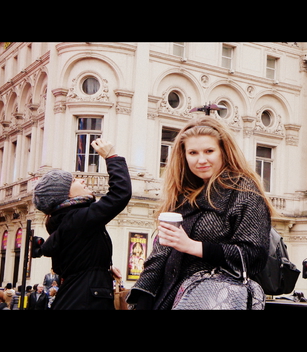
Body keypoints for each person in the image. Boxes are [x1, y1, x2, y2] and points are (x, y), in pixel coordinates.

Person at [127, 116, 276, 310]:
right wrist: (142, 297)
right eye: (193, 152)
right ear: (184, 155)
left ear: (224, 151)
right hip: (168, 299)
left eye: (209, 151)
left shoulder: (244, 191)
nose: (201, 160)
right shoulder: (182, 193)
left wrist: (193, 246)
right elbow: (159, 254)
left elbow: (254, 255)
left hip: (213, 299)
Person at [33, 138, 132, 310]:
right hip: (86, 301)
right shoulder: (76, 219)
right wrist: (112, 158)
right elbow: (120, 194)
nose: (82, 180)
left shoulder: (66, 221)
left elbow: (75, 264)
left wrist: (101, 268)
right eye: (73, 181)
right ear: (66, 195)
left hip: (77, 297)